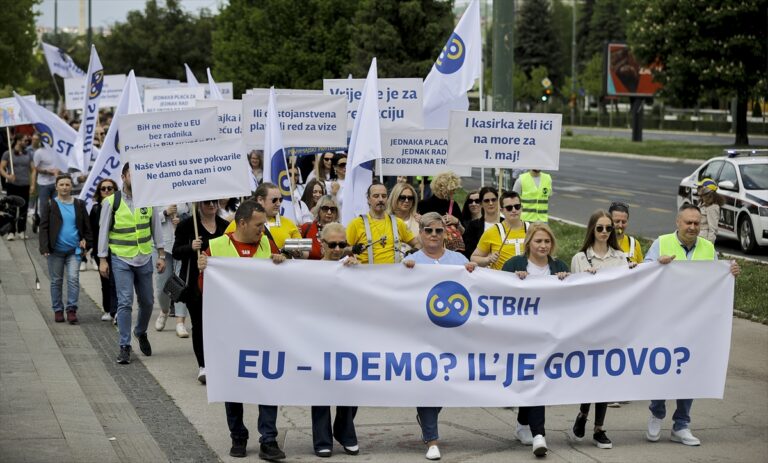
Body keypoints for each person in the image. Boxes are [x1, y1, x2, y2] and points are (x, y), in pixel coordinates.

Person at [197, 200, 287, 460]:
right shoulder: (216, 247)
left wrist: (281, 262)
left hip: (263, 329)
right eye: (259, 225)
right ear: (242, 223)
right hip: (230, 330)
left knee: (268, 383)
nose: (263, 229)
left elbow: (280, 284)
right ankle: (238, 436)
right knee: (232, 384)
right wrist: (203, 271)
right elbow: (204, 290)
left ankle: (268, 439)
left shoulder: (267, 245)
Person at [644, 203, 740, 447]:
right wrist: (656, 265)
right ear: (678, 222)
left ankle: (681, 425)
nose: (693, 227)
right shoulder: (661, 243)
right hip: (664, 322)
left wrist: (730, 273)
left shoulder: (707, 248)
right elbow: (643, 275)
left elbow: (716, 280)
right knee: (662, 369)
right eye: (688, 222)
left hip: (695, 325)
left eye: (697, 223)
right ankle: (656, 413)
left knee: (689, 372)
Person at [402, 212, 476, 460]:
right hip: (422, 336)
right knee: (427, 384)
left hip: (453, 335)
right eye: (428, 230)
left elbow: (474, 288)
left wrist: (473, 272)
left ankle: (427, 418)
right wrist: (403, 272)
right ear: (421, 233)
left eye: (438, 231)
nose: (433, 235)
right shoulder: (411, 260)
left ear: (445, 233)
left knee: (446, 384)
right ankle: (432, 439)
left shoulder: (458, 260)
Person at [502, 223, 569, 457]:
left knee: (536, 380)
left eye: (547, 241)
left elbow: (572, 297)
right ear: (529, 243)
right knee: (532, 379)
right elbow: (498, 293)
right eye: (538, 241)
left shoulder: (559, 266)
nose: (543, 245)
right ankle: (539, 434)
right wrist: (513, 280)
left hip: (549, 336)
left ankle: (524, 425)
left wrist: (566, 280)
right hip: (520, 336)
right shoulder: (514, 265)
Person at [568, 210, 633, 450]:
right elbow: (573, 292)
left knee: (605, 376)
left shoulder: (620, 257)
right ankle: (584, 413)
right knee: (590, 374)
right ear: (592, 230)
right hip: (587, 325)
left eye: (608, 228)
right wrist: (586, 279)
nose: (605, 232)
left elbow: (627, 288)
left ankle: (599, 428)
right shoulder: (580, 258)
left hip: (612, 324)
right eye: (600, 228)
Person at [98, 162, 167, 365]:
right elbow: (103, 231)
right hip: (121, 258)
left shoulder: (148, 200)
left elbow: (156, 228)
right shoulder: (111, 202)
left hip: (144, 257)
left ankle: (140, 331)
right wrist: (102, 259)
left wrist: (161, 254)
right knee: (125, 301)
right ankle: (125, 345)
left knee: (148, 302)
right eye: (131, 174)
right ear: (123, 177)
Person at [311, 222, 360, 457]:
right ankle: (322, 438)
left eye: (342, 244)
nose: (338, 249)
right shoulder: (309, 270)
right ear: (322, 244)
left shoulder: (353, 268)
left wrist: (359, 271)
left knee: (350, 385)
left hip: (348, 336)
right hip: (318, 336)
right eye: (333, 245)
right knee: (321, 387)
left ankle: (343, 428)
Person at [173, 199, 229, 384]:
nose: (211, 205)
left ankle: (218, 362)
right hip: (195, 285)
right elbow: (176, 252)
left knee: (219, 325)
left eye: (214, 202)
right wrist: (191, 247)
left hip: (220, 285)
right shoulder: (187, 225)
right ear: (199, 204)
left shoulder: (225, 226)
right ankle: (203, 365)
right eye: (206, 202)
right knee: (199, 325)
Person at [39, 175, 92, 324]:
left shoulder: (79, 204)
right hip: (55, 251)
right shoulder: (50, 204)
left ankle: (71, 310)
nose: (64, 187)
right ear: (56, 187)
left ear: (71, 187)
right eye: (61, 184)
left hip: (74, 251)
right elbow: (43, 227)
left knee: (73, 279)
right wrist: (44, 247)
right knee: (56, 281)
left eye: (67, 184)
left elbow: (87, 227)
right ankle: (57, 310)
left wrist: (86, 242)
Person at [347, 183, 419, 264]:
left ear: (387, 199)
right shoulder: (356, 223)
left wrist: (413, 252)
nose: (381, 199)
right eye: (376, 196)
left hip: (394, 271)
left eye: (384, 196)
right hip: (366, 271)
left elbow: (417, 243)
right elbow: (342, 249)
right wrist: (352, 249)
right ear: (368, 199)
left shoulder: (398, 222)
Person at [154, 203, 192, 337]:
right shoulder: (155, 196)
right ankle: (164, 311)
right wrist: (165, 213)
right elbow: (150, 221)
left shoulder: (185, 195)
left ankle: (180, 322)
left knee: (181, 284)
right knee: (162, 286)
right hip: (162, 246)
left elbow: (193, 216)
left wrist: (183, 220)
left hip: (182, 244)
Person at [471, 191, 528, 270]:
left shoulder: (532, 229)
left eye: (517, 206)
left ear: (521, 208)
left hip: (528, 276)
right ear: (501, 211)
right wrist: (488, 259)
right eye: (509, 208)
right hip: (502, 276)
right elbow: (474, 258)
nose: (514, 210)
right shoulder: (492, 231)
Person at [89, 178, 119, 322]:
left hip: (117, 249)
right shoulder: (96, 209)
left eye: (110, 188)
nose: (106, 191)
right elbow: (91, 230)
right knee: (105, 281)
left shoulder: (119, 207)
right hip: (100, 251)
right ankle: (107, 309)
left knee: (115, 281)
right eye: (103, 188)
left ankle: (115, 311)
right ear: (99, 192)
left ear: (115, 190)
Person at [1, 134, 35, 240]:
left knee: (24, 208)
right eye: (25, 140)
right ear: (18, 141)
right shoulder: (8, 154)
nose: (27, 142)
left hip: (25, 184)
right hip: (12, 185)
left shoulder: (28, 154)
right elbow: (1, 167)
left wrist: (33, 184)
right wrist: (7, 176)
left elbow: (33, 169)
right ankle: (11, 232)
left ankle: (21, 230)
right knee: (12, 209)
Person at [31, 131, 66, 230]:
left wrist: (59, 171)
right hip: (43, 184)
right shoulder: (39, 152)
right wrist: (46, 171)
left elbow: (62, 165)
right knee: (44, 206)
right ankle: (43, 225)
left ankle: (54, 225)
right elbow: (35, 168)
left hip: (56, 183)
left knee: (57, 205)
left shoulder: (57, 151)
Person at [462, 186, 501, 258]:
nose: (491, 203)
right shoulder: (473, 226)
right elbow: (469, 250)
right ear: (481, 203)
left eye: (493, 200)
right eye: (486, 201)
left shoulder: (506, 223)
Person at [300, 195, 339, 260]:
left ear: (336, 213)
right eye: (325, 208)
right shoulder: (306, 228)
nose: (329, 212)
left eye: (333, 209)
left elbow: (348, 255)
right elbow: (295, 251)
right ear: (318, 210)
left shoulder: (341, 231)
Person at [696, 178, 724, 243]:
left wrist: (709, 244)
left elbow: (713, 229)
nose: (698, 190)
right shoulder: (701, 203)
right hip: (697, 237)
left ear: (707, 190)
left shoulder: (713, 207)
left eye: (700, 188)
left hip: (704, 239)